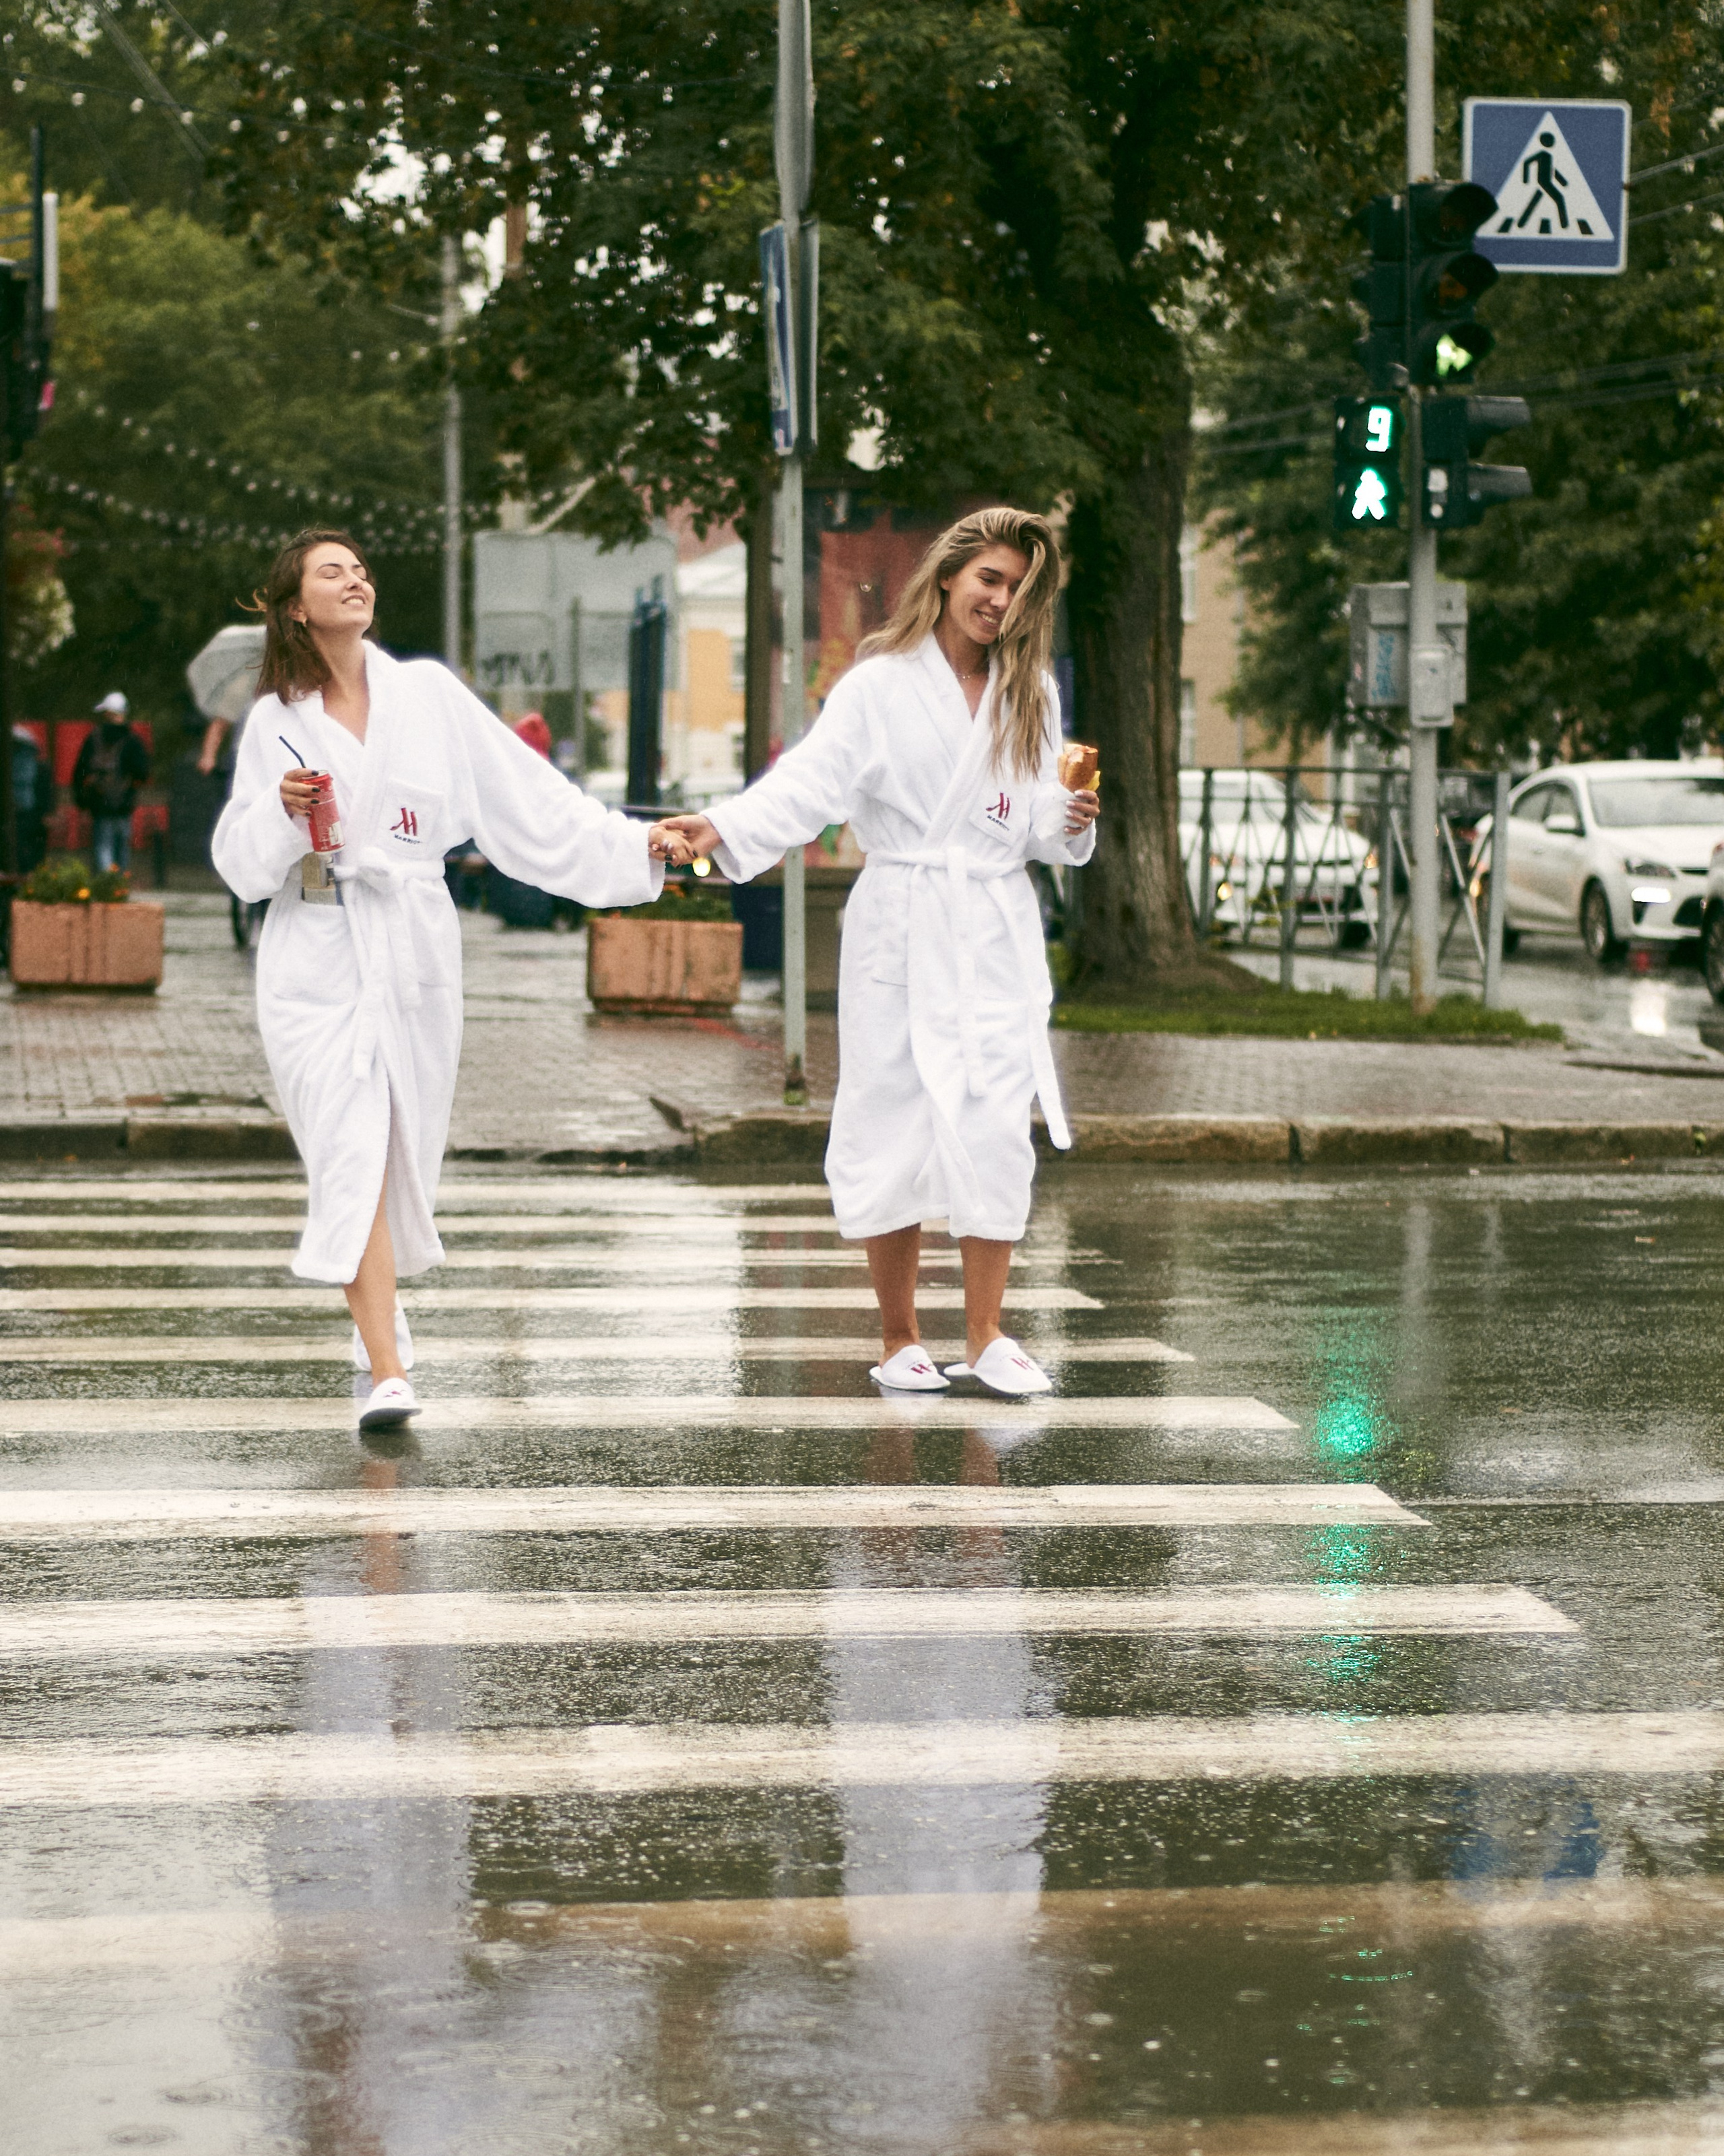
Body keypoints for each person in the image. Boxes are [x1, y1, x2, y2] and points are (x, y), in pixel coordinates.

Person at [212, 528, 668, 1431]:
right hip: (315, 952)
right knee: (349, 1143)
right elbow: (238, 862)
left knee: (394, 1144)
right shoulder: (276, 721)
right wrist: (279, 810)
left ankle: (375, 1309)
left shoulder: (428, 695)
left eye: (360, 567)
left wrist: (634, 847)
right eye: (331, 572)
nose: (356, 579)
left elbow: (528, 800)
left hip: (413, 945)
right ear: (296, 606)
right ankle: (389, 1370)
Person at [654, 506, 1100, 1399]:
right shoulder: (879, 685)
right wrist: (721, 826)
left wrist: (1071, 821)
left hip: (992, 924)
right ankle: (900, 1336)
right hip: (900, 914)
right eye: (989, 580)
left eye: (1017, 590)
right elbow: (810, 786)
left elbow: (1033, 826)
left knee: (992, 1119)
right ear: (947, 576)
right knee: (890, 1115)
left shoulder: (1032, 695)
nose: (1000, 600)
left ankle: (986, 1333)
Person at [72, 692, 150, 874]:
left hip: (100, 804)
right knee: (122, 848)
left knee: (103, 847)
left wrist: (81, 800)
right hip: (124, 804)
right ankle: (119, 886)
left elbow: (79, 772)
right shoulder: (133, 741)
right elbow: (143, 773)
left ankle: (107, 886)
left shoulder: (94, 738)